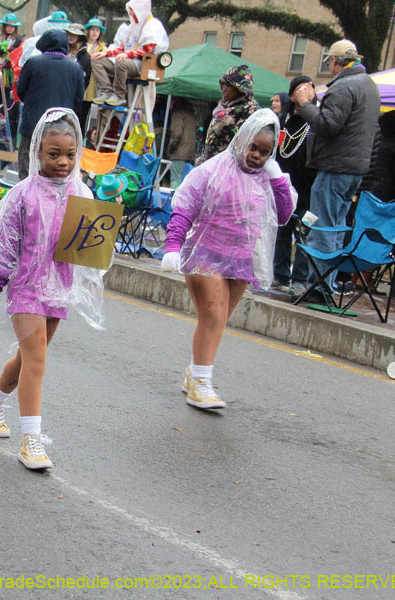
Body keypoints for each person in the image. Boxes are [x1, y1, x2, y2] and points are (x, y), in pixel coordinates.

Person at [0, 108, 107, 469]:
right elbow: (5, 248)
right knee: (38, 360)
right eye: (54, 154)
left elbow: (90, 249)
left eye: (70, 155)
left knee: (29, 357)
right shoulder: (22, 195)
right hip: (27, 288)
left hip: (60, 289)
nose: (63, 162)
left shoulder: (81, 192)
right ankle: (31, 442)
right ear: (37, 153)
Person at [161, 110, 296, 409]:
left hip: (241, 259)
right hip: (205, 253)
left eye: (265, 152)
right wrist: (173, 245)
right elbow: (185, 207)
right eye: (253, 148)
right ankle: (200, 384)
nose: (257, 156)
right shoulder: (212, 170)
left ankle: (196, 372)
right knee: (213, 314)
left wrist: (276, 176)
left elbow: (283, 215)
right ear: (242, 139)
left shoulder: (267, 178)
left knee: (218, 320)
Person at [291, 39, 380, 298]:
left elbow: (328, 126)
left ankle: (320, 288)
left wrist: (306, 104)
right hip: (354, 168)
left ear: (333, 61)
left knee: (323, 225)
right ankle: (326, 285)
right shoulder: (368, 85)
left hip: (335, 166)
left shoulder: (343, 87)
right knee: (337, 225)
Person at [16, 29, 84, 179]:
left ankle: (26, 201)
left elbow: (20, 91)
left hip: (32, 125)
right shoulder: (75, 68)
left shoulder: (33, 63)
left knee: (27, 167)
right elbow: (79, 100)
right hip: (61, 129)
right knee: (55, 171)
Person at [273, 75, 317, 292]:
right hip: (285, 186)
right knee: (282, 230)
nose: (305, 92)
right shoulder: (285, 121)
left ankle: (299, 279)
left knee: (304, 234)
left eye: (310, 89)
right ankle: (279, 274)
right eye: (300, 89)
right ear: (292, 95)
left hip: (308, 189)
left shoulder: (316, 122)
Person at [90, 0, 168, 108]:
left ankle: (119, 95)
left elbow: (147, 49)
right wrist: (106, 53)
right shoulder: (132, 27)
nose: (131, 14)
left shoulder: (152, 25)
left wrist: (128, 55)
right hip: (125, 60)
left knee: (121, 62)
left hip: (143, 64)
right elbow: (122, 47)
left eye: (133, 11)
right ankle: (106, 91)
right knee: (96, 60)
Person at [197, 64, 259, 164]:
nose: (223, 89)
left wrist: (227, 123)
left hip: (230, 168)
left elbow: (244, 141)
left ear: (238, 86)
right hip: (212, 164)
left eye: (227, 85)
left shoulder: (250, 108)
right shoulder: (226, 106)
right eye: (222, 85)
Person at [166, 97, 198, 188]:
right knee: (185, 183)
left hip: (179, 154)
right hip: (190, 154)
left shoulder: (177, 114)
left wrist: (170, 149)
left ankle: (174, 201)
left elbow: (176, 133)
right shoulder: (191, 115)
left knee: (175, 182)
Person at [66, 23, 92, 134]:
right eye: (69, 34)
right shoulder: (63, 51)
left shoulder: (85, 57)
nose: (71, 37)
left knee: (75, 130)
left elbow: (84, 81)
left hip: (78, 101)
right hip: (62, 97)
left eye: (75, 35)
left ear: (80, 37)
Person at [83, 18, 107, 106]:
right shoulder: (81, 44)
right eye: (92, 29)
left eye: (97, 30)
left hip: (93, 82)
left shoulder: (102, 48)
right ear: (88, 31)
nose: (95, 32)